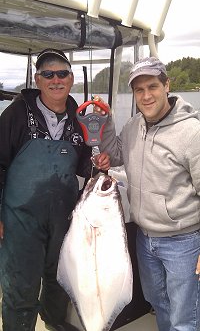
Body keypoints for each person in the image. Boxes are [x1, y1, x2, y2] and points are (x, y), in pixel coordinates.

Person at [0, 48, 110, 331]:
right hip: (20, 218)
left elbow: (84, 163)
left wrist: (98, 164)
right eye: (47, 74)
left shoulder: (79, 117)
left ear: (71, 78)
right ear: (38, 80)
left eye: (62, 73)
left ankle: (53, 322)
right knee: (21, 282)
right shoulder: (16, 114)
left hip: (64, 216)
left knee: (59, 277)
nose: (55, 79)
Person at [98, 56, 200, 331]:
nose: (146, 95)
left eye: (152, 86)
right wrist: (106, 120)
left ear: (167, 85)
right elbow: (117, 154)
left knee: (184, 316)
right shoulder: (133, 126)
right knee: (159, 303)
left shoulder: (192, 133)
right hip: (145, 239)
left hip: (184, 242)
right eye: (138, 90)